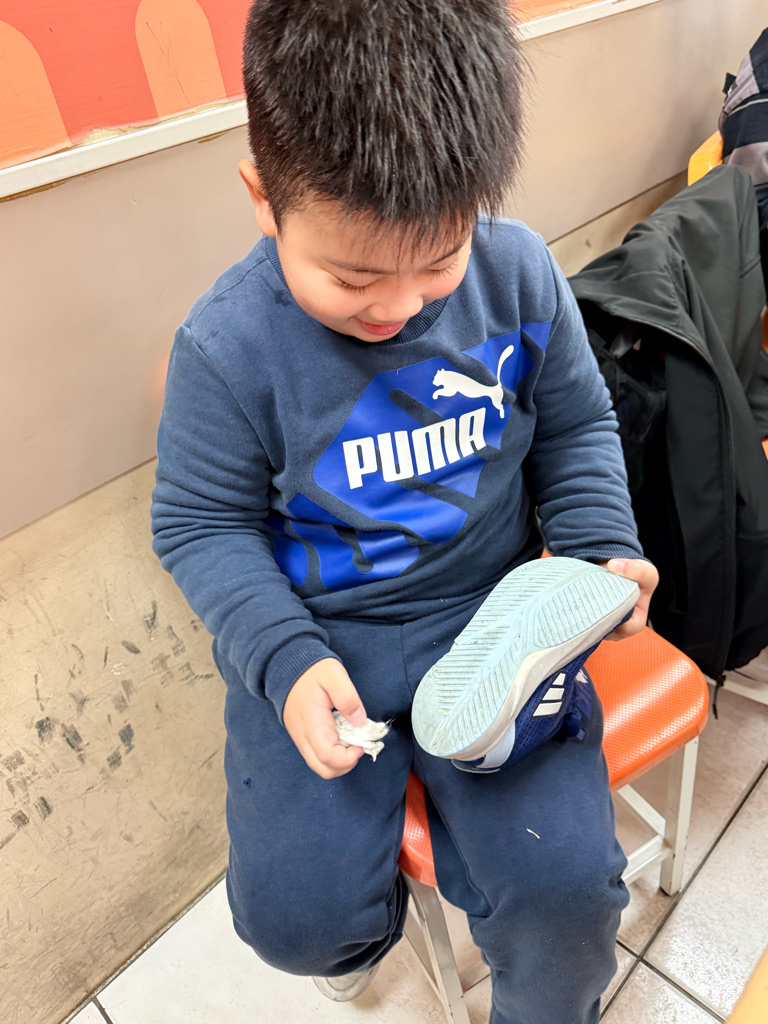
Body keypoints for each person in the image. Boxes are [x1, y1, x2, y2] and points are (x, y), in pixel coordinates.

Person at [150, 1, 659, 1021]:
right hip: (326, 642)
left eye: (438, 261)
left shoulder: (519, 273)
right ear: (264, 198)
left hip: (497, 626)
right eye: (351, 276)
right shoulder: (226, 350)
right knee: (292, 922)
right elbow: (199, 526)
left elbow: (575, 424)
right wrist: (283, 659)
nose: (398, 307)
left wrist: (601, 544)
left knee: (567, 898)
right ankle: (364, 925)